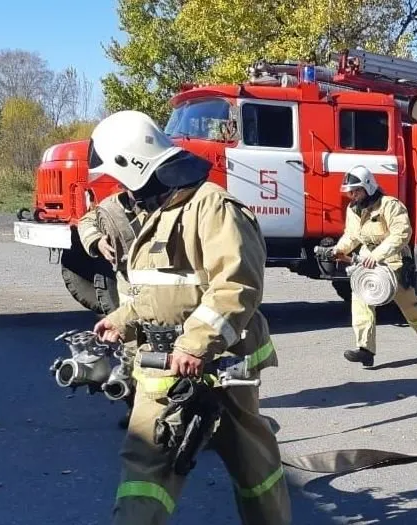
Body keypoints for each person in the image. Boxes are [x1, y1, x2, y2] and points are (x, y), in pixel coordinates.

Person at [88, 110, 291, 525]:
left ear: (134, 163)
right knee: (146, 463)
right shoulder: (158, 210)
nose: (120, 188)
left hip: (221, 366)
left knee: (252, 461)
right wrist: (123, 319)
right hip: (163, 368)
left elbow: (237, 285)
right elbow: (161, 290)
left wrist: (195, 343)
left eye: (118, 175)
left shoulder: (212, 207)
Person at [330, 165, 417, 367]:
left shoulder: (391, 206)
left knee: (410, 305)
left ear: (368, 187)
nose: (352, 195)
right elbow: (352, 235)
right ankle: (365, 349)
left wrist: (378, 255)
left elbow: (401, 234)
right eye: (351, 192)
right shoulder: (354, 209)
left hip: (394, 262)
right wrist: (339, 249)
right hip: (367, 263)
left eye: (356, 191)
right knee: (361, 298)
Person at [77, 190, 148, 428]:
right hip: (130, 293)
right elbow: (87, 220)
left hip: (165, 293)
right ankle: (135, 410)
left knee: (171, 352)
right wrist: (96, 240)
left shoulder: (172, 200)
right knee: (130, 355)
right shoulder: (113, 205)